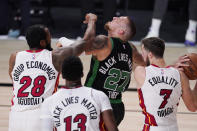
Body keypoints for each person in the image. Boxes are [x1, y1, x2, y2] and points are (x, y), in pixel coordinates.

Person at [57, 13, 145, 125]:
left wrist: (64, 40)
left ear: (121, 31)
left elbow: (83, 47)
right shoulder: (131, 48)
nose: (114, 17)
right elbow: (144, 63)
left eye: (119, 20)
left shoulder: (105, 42)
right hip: (117, 107)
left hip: (96, 104)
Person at [8, 23, 94, 131]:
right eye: (49, 36)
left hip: (16, 118)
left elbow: (13, 78)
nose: (51, 38)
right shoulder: (55, 57)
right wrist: (63, 40)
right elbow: (82, 46)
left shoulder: (15, 56)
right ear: (42, 42)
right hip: (41, 117)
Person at [134, 37, 197, 131]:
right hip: (173, 128)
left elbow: (157, 70)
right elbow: (192, 107)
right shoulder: (180, 75)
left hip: (152, 128)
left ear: (150, 55)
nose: (142, 56)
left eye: (143, 53)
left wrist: (174, 64)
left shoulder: (140, 72)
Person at [41, 56, 118, 131]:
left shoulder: (48, 102)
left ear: (63, 75)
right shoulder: (99, 96)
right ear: (82, 74)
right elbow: (112, 129)